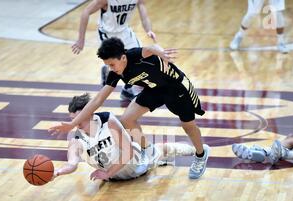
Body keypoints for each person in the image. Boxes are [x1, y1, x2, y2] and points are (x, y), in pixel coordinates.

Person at [50, 37, 210, 179]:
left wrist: (161, 52)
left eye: (112, 64)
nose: (111, 68)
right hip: (154, 89)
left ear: (123, 57)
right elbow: (99, 98)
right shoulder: (115, 72)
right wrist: (72, 124)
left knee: (188, 126)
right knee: (127, 119)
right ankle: (149, 151)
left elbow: (149, 48)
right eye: (108, 65)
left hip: (176, 88)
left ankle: (201, 154)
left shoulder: (134, 55)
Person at [52, 93, 196, 181]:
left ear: (89, 113)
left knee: (161, 151)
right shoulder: (75, 140)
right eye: (72, 119)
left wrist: (108, 173)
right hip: (114, 177)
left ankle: (197, 150)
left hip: (137, 163)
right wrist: (58, 172)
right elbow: (72, 164)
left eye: (78, 119)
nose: (75, 123)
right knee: (160, 154)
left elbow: (128, 153)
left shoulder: (108, 121)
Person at [71, 0, 156, 102]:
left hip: (125, 31)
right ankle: (107, 71)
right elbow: (86, 12)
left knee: (139, 60)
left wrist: (148, 30)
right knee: (118, 64)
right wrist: (81, 40)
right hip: (108, 33)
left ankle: (127, 90)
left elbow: (143, 12)